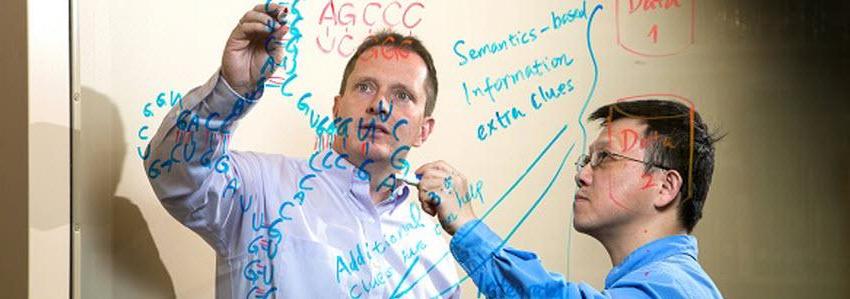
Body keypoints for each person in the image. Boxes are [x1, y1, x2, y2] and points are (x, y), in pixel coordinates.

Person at [144, 4, 459, 298]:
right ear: (337, 108)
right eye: (365, 87)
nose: (380, 105)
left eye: (402, 95)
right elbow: (174, 175)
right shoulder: (260, 188)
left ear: (423, 130)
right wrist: (232, 90)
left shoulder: (435, 256)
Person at [415, 100, 723, 298]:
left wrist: (467, 226)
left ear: (665, 186)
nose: (582, 175)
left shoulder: (674, 288)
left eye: (605, 158)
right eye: (586, 160)